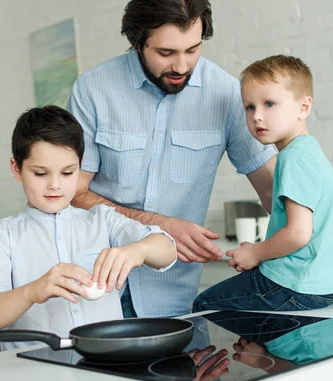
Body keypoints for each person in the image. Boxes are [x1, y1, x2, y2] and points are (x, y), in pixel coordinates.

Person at [67, 0, 276, 318]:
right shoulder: (93, 89)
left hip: (173, 299)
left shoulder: (225, 93)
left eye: (193, 50)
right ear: (138, 41)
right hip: (95, 290)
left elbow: (275, 190)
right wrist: (160, 226)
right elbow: (74, 194)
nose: (181, 66)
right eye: (166, 53)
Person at [0, 105, 177, 351]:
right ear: (17, 169)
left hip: (104, 365)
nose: (55, 185)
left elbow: (167, 250)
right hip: (32, 373)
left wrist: (138, 251)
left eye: (68, 172)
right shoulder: (3, 236)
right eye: (40, 173)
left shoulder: (102, 220)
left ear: (79, 166)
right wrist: (32, 291)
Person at [192, 55, 333, 313]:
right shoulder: (307, 151)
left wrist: (256, 253)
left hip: (301, 284)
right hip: (326, 284)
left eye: (269, 103)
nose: (257, 116)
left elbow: (298, 233)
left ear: (303, 107)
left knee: (205, 305)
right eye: (249, 107)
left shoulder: (294, 157)